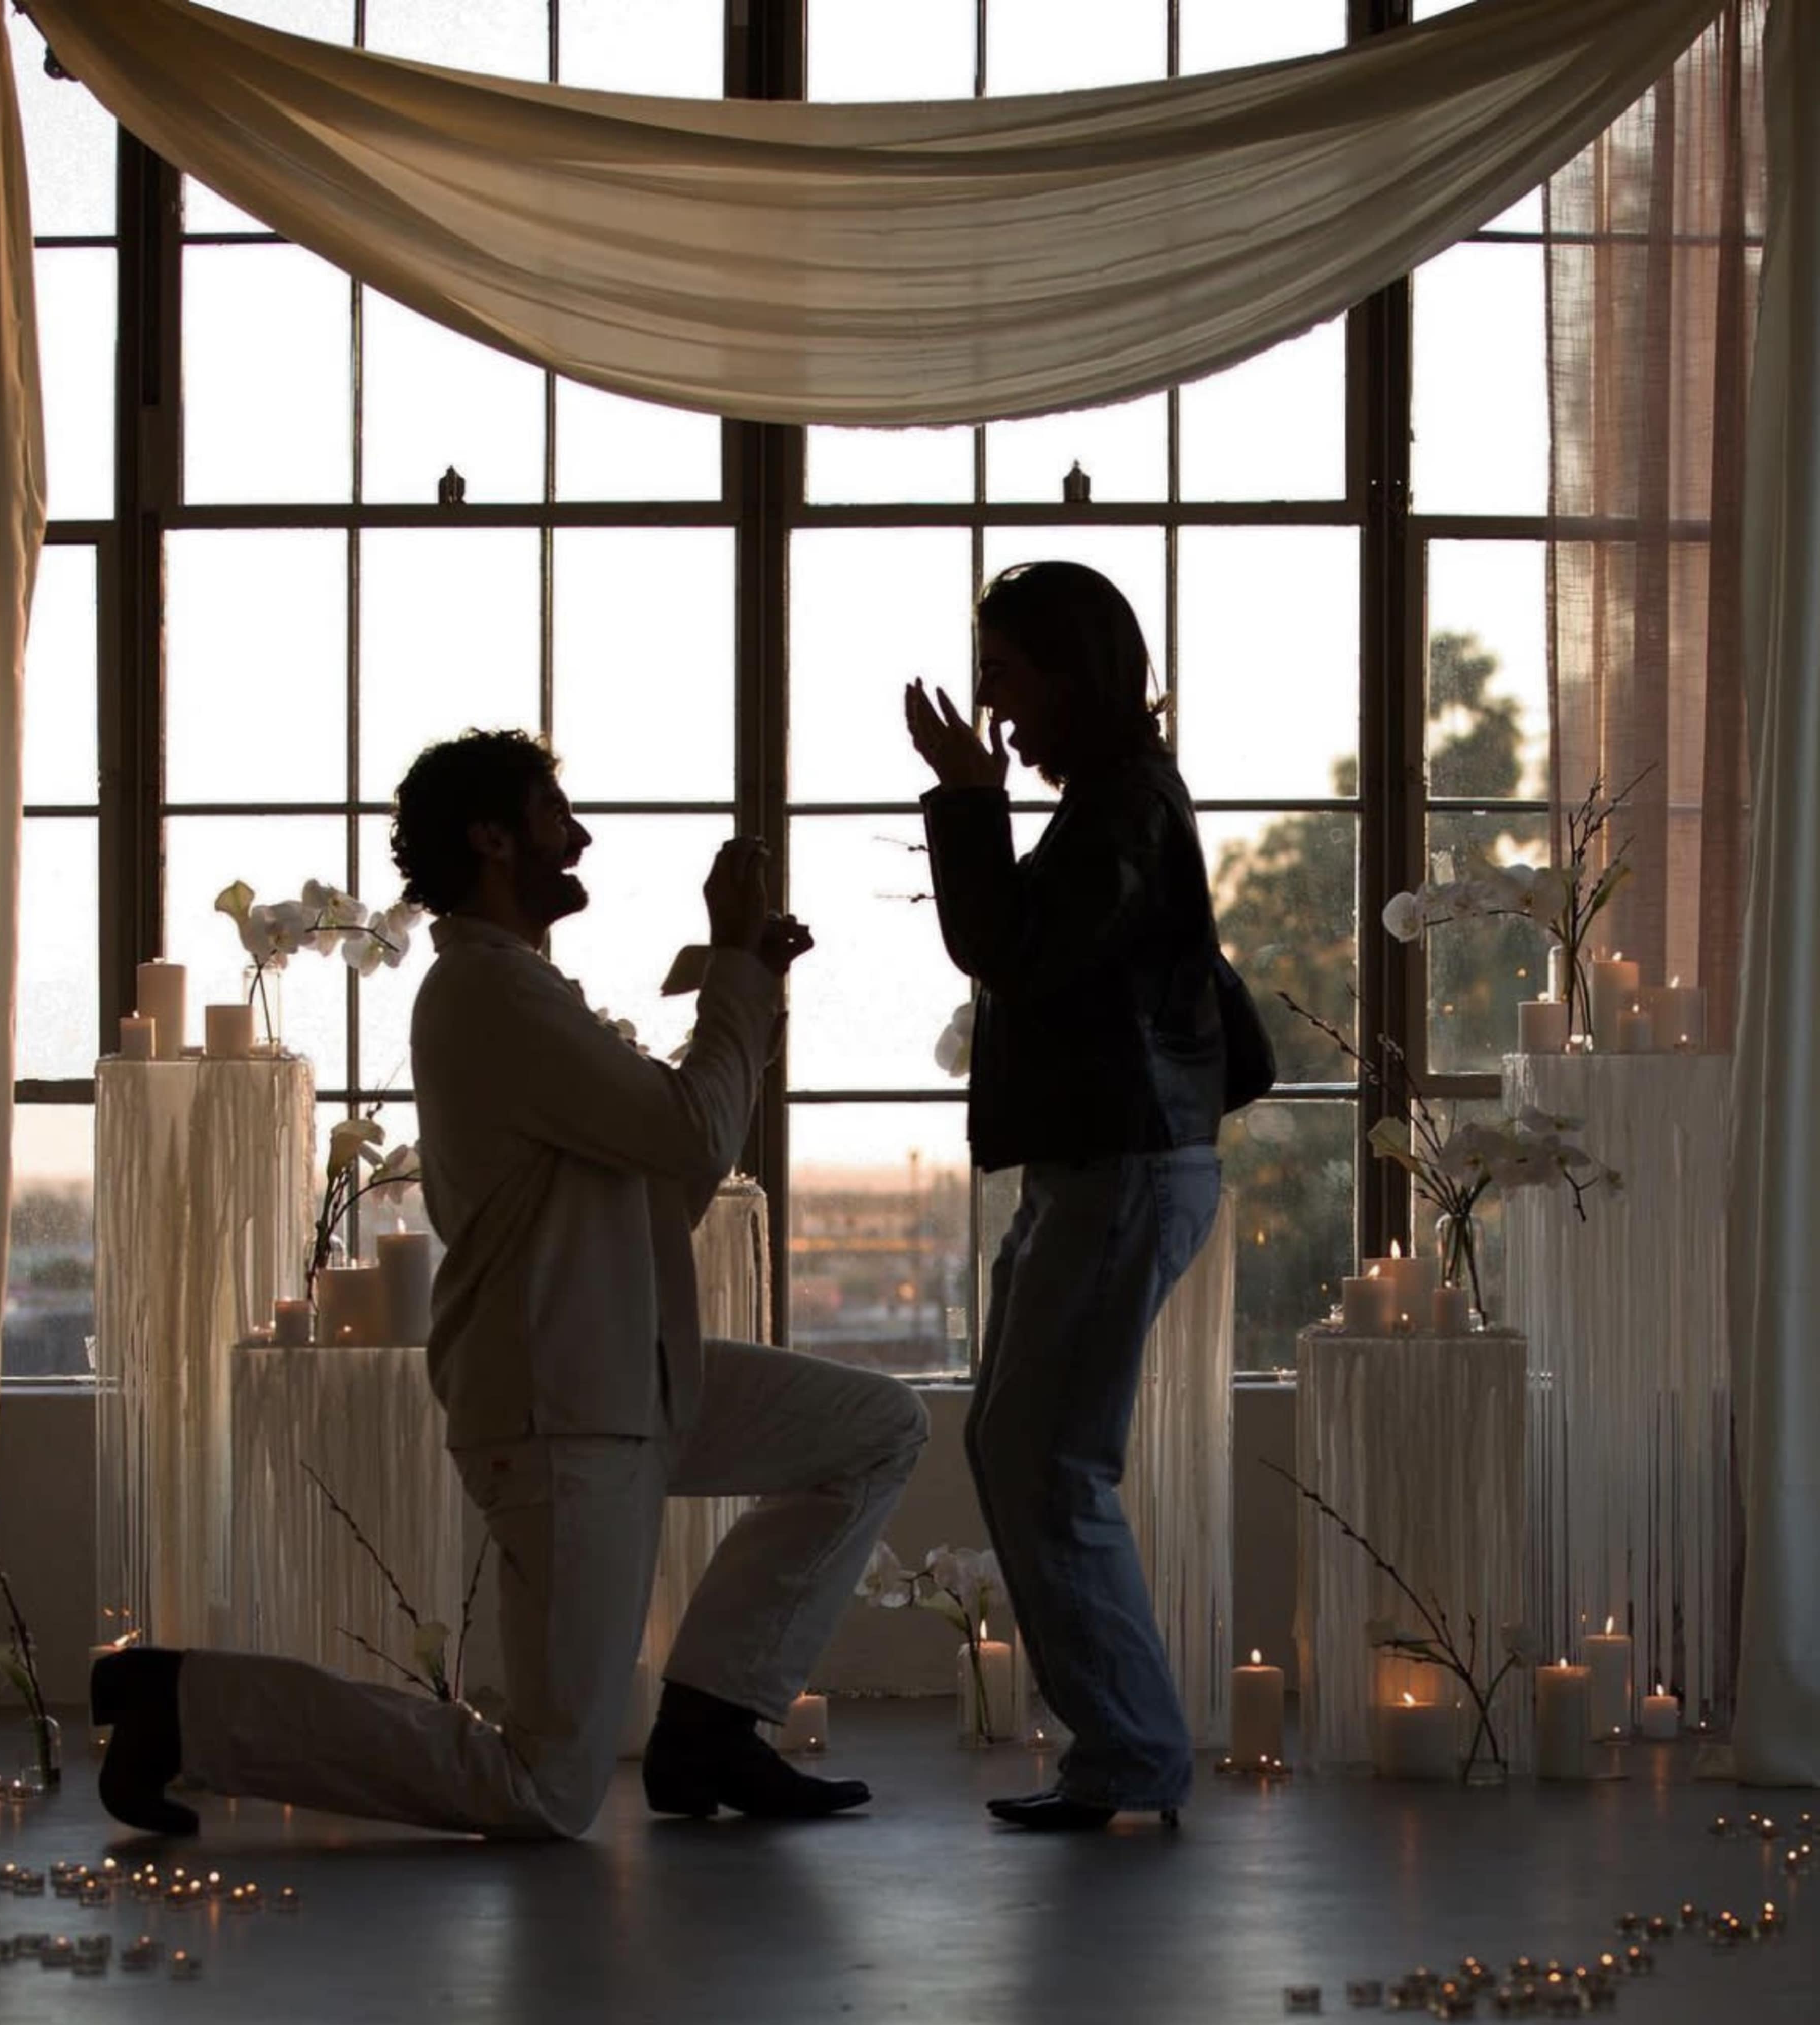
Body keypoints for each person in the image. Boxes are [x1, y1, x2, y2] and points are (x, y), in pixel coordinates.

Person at [95, 728, 927, 1841]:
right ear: (492, 836)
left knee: (875, 1429)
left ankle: (714, 1721)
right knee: (546, 1784)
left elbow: (658, 1187)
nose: (577, 835)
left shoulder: (526, 993)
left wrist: (746, 982)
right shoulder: (488, 994)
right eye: (552, 812)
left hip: (631, 1375)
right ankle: (183, 1708)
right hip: (563, 1407)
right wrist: (734, 965)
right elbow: (689, 1136)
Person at [904, 561, 1225, 1832]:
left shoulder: (1125, 807)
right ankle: (1120, 1750)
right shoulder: (1114, 799)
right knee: (1022, 1450)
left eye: (1002, 670)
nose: (988, 701)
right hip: (1099, 1164)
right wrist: (975, 805)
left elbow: (1012, 952)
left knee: (1048, 1462)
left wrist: (969, 806)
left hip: (1123, 1165)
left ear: (1068, 670)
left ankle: (1131, 1754)